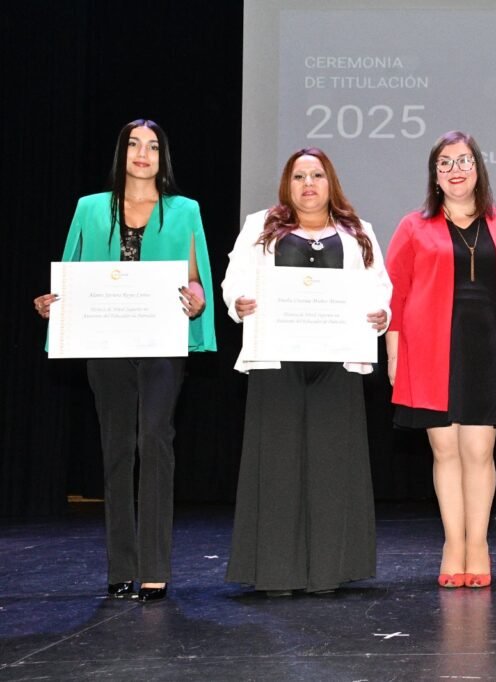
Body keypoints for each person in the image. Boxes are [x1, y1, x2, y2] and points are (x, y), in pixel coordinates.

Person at [33, 119, 217, 603]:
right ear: (122, 152)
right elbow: (71, 274)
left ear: (162, 157)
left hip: (161, 339)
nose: (143, 153)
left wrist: (197, 298)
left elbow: (194, 276)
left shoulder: (184, 210)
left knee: (154, 439)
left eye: (153, 146)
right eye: (134, 144)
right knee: (116, 447)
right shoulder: (90, 208)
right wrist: (53, 303)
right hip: (106, 339)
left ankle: (154, 569)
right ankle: (121, 566)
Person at [222, 148, 391, 595]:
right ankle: (276, 574)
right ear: (287, 185)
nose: (308, 184)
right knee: (276, 465)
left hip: (338, 362)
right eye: (299, 177)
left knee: (333, 466)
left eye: (317, 175)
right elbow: (235, 279)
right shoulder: (260, 227)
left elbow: (380, 286)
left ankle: (328, 573)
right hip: (276, 359)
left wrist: (381, 313)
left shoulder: (358, 232)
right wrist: (238, 301)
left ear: (330, 182)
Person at [386, 131, 496, 588]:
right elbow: (395, 293)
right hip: (430, 350)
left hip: (491, 349)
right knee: (445, 451)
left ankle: (478, 544)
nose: (455, 170)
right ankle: (453, 543)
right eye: (444, 163)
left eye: (463, 161)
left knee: (479, 451)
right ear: (434, 175)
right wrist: (394, 354)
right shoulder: (413, 226)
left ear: (478, 168)